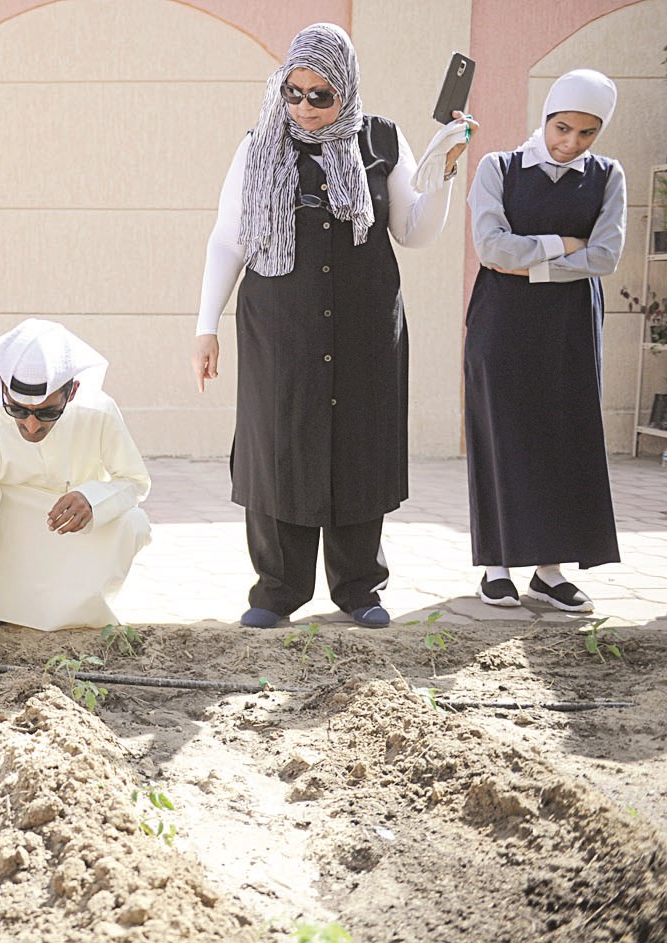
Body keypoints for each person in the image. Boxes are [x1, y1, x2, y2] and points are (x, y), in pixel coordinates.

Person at [190, 23, 474, 629]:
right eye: (294, 92)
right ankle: (276, 590)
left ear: (346, 88)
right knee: (279, 446)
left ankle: (359, 589)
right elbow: (228, 239)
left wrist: (445, 172)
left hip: (365, 327)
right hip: (279, 329)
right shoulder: (258, 146)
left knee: (358, 447)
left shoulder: (382, 140)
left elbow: (415, 230)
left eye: (321, 95)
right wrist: (204, 326)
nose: (305, 107)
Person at [463, 69, 624, 613]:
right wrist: (562, 245)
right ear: (546, 116)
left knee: (563, 436)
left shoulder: (608, 176)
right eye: (562, 128)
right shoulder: (497, 168)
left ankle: (549, 572)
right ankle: (496, 565)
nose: (570, 143)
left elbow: (604, 256)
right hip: (501, 324)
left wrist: (534, 266)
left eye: (585, 134)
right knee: (501, 433)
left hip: (570, 326)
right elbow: (491, 248)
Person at [0, 319, 151, 669]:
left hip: (66, 536)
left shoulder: (98, 412)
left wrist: (94, 499)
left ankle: (65, 611)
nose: (31, 426)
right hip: (4, 530)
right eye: (18, 410)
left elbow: (135, 482)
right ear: (3, 389)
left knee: (134, 522)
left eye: (47, 412)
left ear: (71, 392)